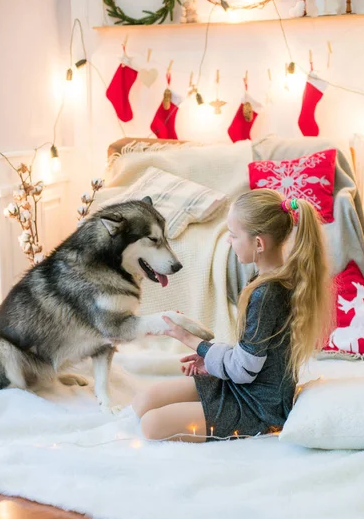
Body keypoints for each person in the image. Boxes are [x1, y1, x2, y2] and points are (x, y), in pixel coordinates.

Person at [132, 189, 333, 443]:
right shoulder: (266, 280)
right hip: (245, 383)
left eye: (234, 235)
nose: (228, 240)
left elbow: (243, 370)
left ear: (259, 244)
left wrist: (190, 339)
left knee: (152, 425)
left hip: (259, 407)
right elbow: (255, 352)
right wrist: (208, 356)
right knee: (143, 402)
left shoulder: (267, 293)